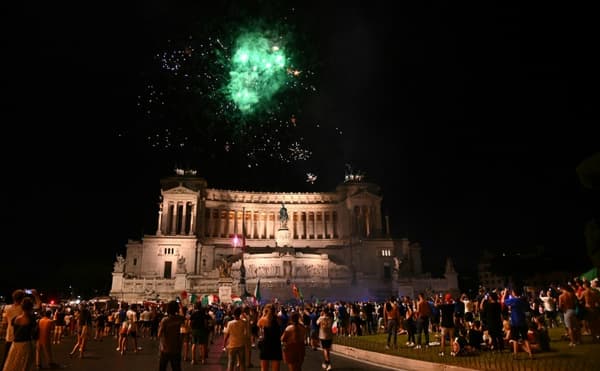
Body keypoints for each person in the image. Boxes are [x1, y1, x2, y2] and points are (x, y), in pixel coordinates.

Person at [2, 297, 38, 371]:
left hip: (15, 344)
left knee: (13, 364)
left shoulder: (15, 318)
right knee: (24, 365)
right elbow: (34, 333)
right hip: (26, 344)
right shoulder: (31, 319)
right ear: (31, 307)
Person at [158, 300, 185, 371]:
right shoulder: (180, 319)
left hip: (165, 347)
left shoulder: (165, 320)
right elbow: (183, 315)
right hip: (176, 348)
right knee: (176, 368)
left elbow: (159, 334)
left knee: (162, 368)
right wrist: (180, 306)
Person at [257, 304, 283, 371]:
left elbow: (258, 324)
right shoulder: (278, 319)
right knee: (276, 369)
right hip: (276, 344)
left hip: (266, 344)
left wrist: (263, 314)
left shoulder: (263, 320)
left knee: (264, 368)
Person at [223, 306, 247, 371]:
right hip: (241, 344)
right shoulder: (243, 322)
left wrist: (224, 344)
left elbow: (227, 335)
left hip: (232, 345)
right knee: (242, 363)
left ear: (233, 314)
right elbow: (246, 332)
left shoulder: (230, 323)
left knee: (231, 363)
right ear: (240, 314)